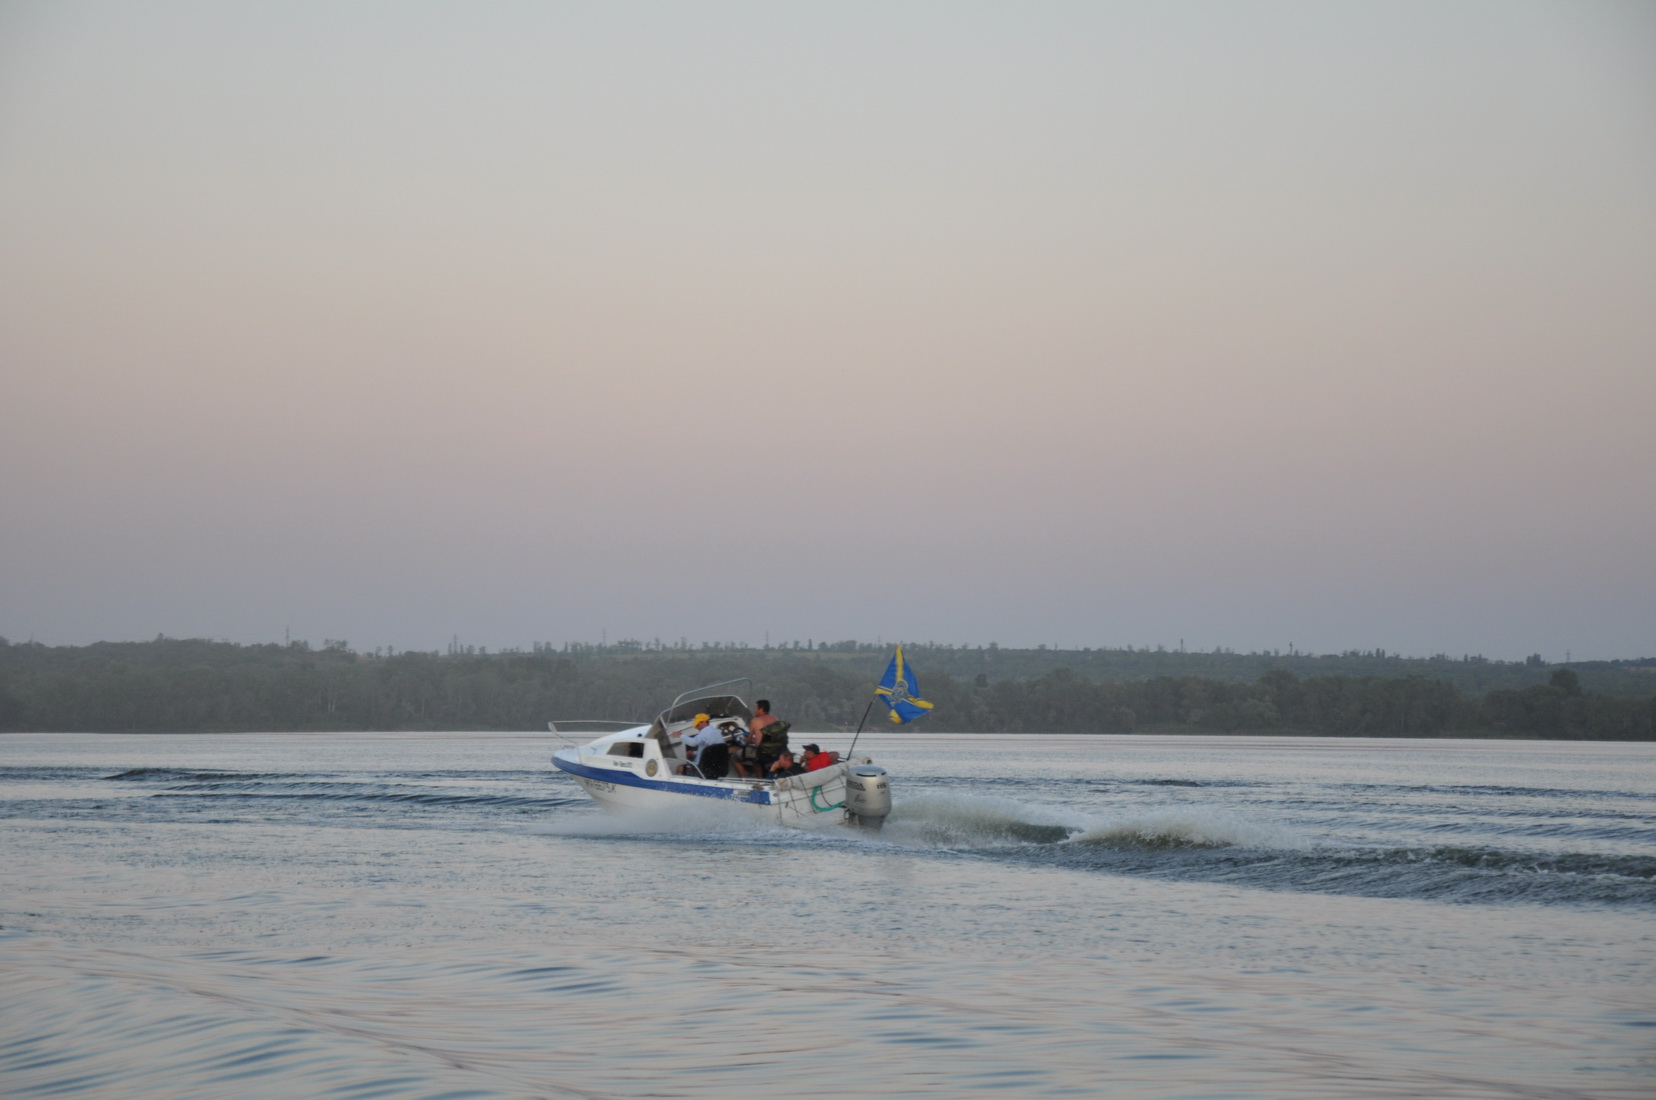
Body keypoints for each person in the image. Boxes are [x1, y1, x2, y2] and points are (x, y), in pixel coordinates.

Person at [733, 698, 791, 779]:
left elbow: (749, 740)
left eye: (756, 708)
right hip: (777, 751)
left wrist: (746, 738)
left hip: (762, 753)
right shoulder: (775, 719)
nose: (754, 710)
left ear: (761, 709)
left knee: (736, 756)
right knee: (757, 756)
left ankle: (746, 779)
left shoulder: (755, 721)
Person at [679, 714, 730, 779]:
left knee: (680, 768)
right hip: (718, 769)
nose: (696, 727)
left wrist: (680, 735)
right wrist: (694, 753)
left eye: (697, 725)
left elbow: (692, 743)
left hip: (702, 770)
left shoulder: (704, 733)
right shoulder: (717, 732)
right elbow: (712, 752)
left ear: (704, 722)